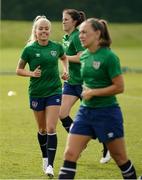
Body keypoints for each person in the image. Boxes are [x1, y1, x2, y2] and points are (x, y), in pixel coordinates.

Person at [58, 18, 138, 179]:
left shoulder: (109, 57)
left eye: (84, 32)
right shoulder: (85, 55)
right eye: (80, 32)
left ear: (97, 34)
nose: (80, 36)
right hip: (85, 112)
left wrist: (94, 92)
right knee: (70, 153)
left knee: (120, 158)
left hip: (107, 113)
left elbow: (119, 87)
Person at [16, 15, 68, 178]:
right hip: (37, 93)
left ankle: (51, 166)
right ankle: (45, 157)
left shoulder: (57, 47)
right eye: (41, 29)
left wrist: (66, 71)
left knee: (51, 128)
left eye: (46, 29)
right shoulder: (29, 49)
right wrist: (32, 73)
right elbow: (19, 69)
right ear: (36, 31)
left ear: (50, 31)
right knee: (42, 129)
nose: (44, 31)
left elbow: (64, 57)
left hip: (54, 91)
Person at [60, 8, 110, 163]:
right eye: (62, 18)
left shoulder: (77, 36)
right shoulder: (65, 37)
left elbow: (82, 57)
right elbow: (65, 61)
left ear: (74, 22)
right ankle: (81, 139)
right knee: (62, 113)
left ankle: (108, 147)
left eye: (66, 19)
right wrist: (66, 70)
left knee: (96, 118)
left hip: (83, 83)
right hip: (71, 82)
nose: (63, 21)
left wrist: (64, 56)